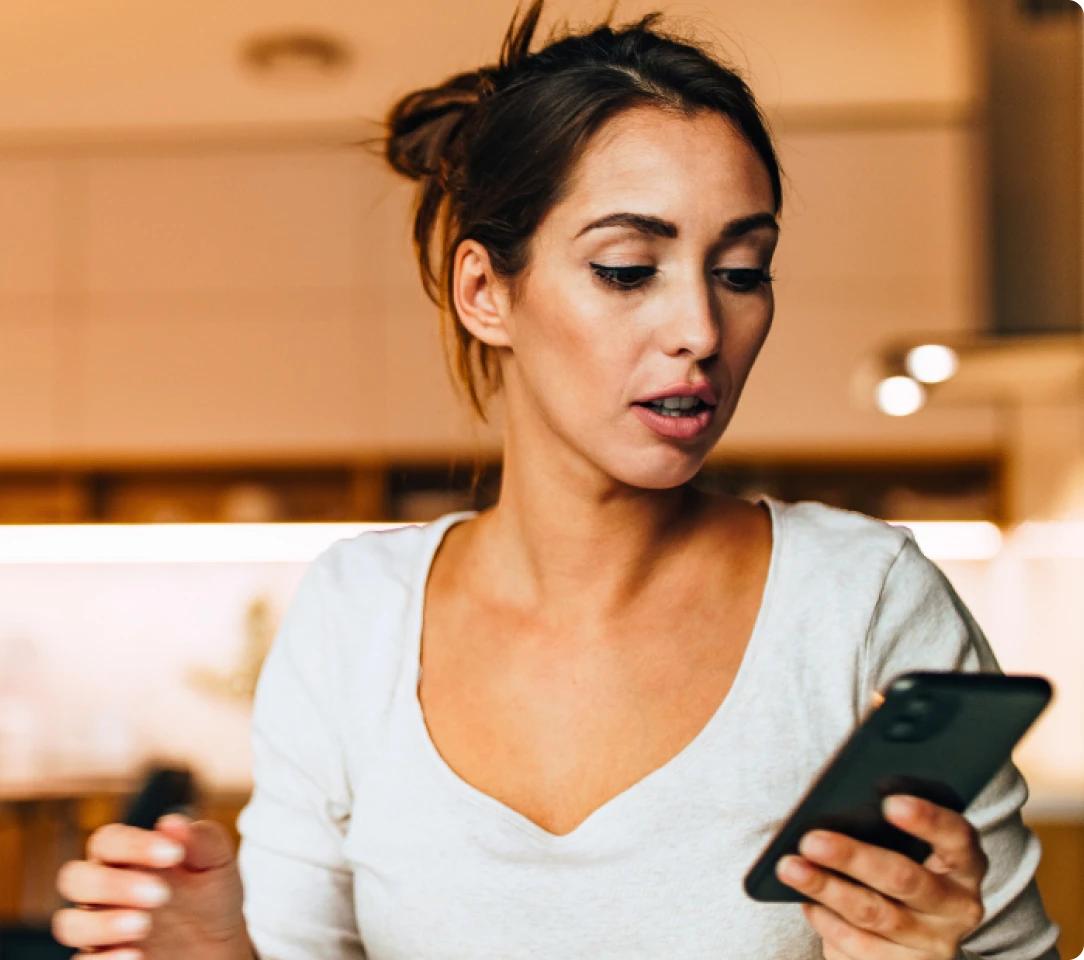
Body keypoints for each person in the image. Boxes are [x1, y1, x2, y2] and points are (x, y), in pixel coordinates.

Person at [51, 4, 1062, 959]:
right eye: (628, 269)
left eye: (741, 271)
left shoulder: (859, 603)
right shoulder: (355, 616)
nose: (701, 333)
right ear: (485, 290)